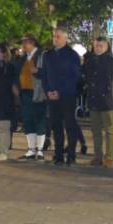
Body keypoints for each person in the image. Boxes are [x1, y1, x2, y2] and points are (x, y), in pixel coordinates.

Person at [42, 27, 82, 166]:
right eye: (54, 36)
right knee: (56, 126)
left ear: (65, 38)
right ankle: (58, 155)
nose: (55, 39)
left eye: (58, 36)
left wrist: (59, 91)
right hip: (52, 97)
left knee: (70, 126)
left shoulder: (72, 55)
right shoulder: (48, 55)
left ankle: (71, 155)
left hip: (67, 96)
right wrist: (48, 91)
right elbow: (44, 76)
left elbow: (75, 77)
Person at [84, 37, 113, 167]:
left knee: (109, 130)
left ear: (106, 47)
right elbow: (86, 78)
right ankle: (97, 156)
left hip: (107, 99)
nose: (98, 48)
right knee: (95, 131)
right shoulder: (89, 60)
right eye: (96, 46)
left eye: (101, 46)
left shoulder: (112, 62)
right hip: (93, 99)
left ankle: (109, 157)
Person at [17, 34, 47, 160]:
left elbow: (48, 72)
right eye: (23, 43)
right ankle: (31, 149)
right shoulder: (24, 57)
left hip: (38, 93)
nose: (23, 45)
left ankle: (40, 150)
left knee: (39, 120)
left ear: (33, 43)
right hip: (25, 93)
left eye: (26, 42)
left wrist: (38, 72)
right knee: (28, 120)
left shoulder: (42, 56)